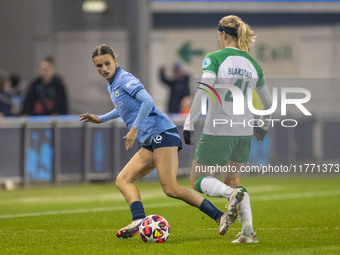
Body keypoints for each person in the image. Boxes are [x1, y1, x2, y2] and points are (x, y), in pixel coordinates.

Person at [79, 44, 244, 239]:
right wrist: (101, 118)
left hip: (162, 132)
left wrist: (134, 129)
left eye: (107, 63)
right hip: (151, 139)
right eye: (99, 66)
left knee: (171, 188)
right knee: (123, 179)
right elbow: (124, 108)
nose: (104, 68)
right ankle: (139, 219)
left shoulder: (125, 79)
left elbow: (148, 101)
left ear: (116, 60)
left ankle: (220, 215)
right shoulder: (113, 83)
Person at [183, 15, 273, 243]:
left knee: (198, 178)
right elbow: (269, 102)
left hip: (219, 129)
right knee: (233, 180)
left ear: (222, 34)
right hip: (244, 131)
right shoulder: (253, 64)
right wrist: (263, 124)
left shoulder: (214, 58)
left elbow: (204, 91)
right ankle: (248, 233)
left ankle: (229, 195)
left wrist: (189, 122)